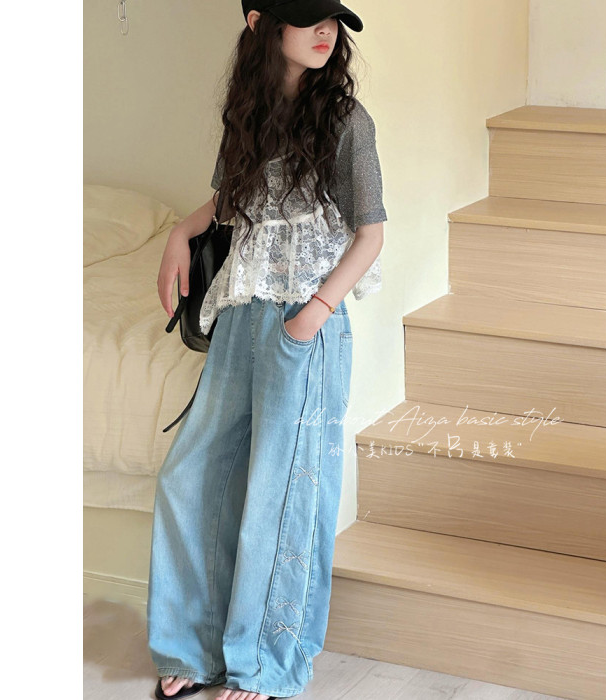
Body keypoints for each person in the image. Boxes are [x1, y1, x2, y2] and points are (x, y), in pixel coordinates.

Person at [147, 1, 387, 698]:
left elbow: (371, 234)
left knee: (281, 494)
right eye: (307, 17)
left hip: (303, 324)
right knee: (193, 475)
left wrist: (312, 316)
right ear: (260, 23)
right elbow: (233, 201)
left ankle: (265, 664)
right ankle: (192, 648)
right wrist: (180, 232)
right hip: (241, 313)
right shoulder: (249, 110)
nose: (325, 30)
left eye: (332, 19)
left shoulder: (346, 121)